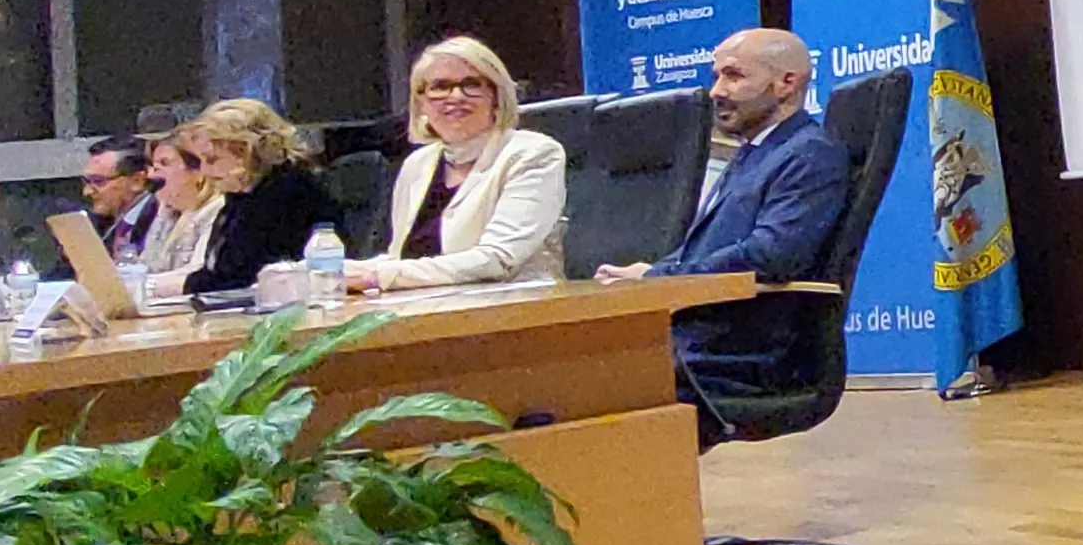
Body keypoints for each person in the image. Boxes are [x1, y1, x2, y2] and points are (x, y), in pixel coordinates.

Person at [596, 29, 852, 402]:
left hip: (739, 355)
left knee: (575, 387)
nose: (716, 91)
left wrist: (658, 279)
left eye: (733, 76)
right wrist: (650, 273)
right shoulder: (757, 151)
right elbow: (705, 249)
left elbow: (770, 255)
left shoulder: (810, 154)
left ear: (787, 83)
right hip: (698, 338)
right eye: (717, 77)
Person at [348, 36, 569, 293]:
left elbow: (497, 259)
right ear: (421, 102)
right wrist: (334, 272)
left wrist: (376, 276)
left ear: (496, 96)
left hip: (513, 307)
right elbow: (403, 259)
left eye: (471, 85)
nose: (455, 96)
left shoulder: (533, 154)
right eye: (440, 87)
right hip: (425, 307)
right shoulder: (417, 164)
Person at [179, 98, 346, 298]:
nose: (205, 171)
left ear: (246, 152)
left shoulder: (287, 193)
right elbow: (219, 271)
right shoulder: (240, 198)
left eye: (212, 159)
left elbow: (243, 278)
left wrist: (187, 285)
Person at [136, 132, 224, 296]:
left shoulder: (216, 210)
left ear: (198, 172)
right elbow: (147, 264)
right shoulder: (167, 212)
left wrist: (139, 285)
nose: (152, 175)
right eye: (154, 166)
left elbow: (195, 272)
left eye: (164, 164)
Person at [81, 135, 156, 257]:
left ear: (137, 181)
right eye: (86, 181)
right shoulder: (98, 223)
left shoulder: (159, 222)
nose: (87, 191)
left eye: (98, 181)